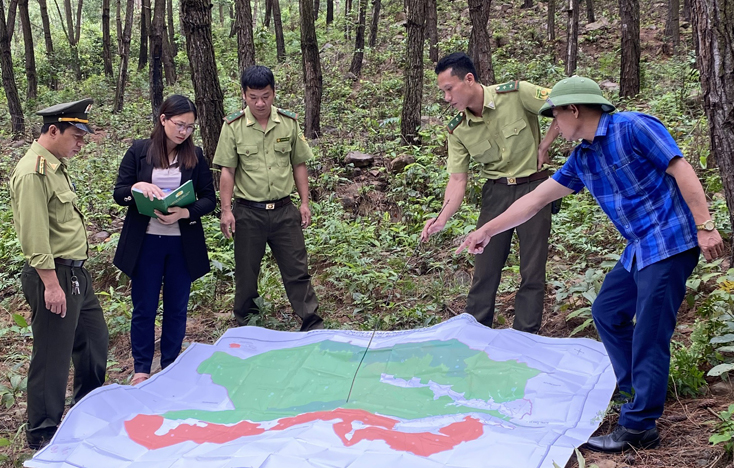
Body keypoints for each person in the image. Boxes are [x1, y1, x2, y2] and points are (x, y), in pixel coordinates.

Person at [457, 76, 724, 453]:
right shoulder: (583, 158)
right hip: (639, 247)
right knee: (608, 311)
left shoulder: (633, 128)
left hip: (671, 239)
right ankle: (633, 392)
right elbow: (534, 200)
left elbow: (681, 170)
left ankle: (639, 427)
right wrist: (486, 230)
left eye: (556, 116)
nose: (554, 125)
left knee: (650, 332)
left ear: (575, 110)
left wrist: (706, 225)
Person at [421, 52, 560, 333]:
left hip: (534, 188)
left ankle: (526, 336)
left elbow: (565, 104)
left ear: (469, 79)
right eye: (443, 92)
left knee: (532, 271)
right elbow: (458, 180)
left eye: (449, 89)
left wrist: (544, 145)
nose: (447, 98)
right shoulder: (457, 129)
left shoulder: (518, 93)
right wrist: (442, 217)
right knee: (485, 269)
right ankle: (475, 333)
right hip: (496, 194)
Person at [9, 99, 109, 450]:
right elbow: (34, 235)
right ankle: (43, 431)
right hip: (54, 276)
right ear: (54, 130)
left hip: (77, 275)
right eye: (76, 135)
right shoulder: (32, 171)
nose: (81, 143)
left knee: (94, 344)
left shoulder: (55, 166)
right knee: (52, 355)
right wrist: (51, 285)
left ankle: (88, 411)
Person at [113, 95, 216, 385]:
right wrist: (136, 186)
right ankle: (142, 368)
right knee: (144, 307)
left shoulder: (194, 156)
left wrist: (184, 211)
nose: (184, 132)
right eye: (179, 125)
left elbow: (209, 199)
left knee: (176, 307)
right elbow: (119, 192)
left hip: (181, 245)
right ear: (163, 119)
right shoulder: (139, 151)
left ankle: (170, 365)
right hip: (146, 243)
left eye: (190, 127)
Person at [213, 65, 323, 331]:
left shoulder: (288, 122)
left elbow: (299, 164)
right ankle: (247, 323)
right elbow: (227, 171)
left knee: (297, 269)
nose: (260, 103)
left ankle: (312, 322)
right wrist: (226, 210)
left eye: (265, 96)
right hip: (248, 213)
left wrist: (304, 202)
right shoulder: (233, 127)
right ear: (243, 95)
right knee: (246, 273)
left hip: (285, 210)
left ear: (274, 92)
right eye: (253, 97)